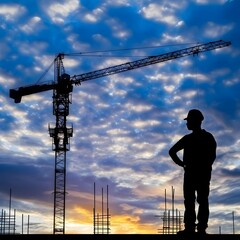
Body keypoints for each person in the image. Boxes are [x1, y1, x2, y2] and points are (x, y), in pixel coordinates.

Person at [169, 109, 217, 235]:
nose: (187, 123)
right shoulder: (206, 137)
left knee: (197, 200)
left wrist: (184, 164)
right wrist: (183, 164)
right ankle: (195, 228)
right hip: (199, 174)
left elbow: (172, 152)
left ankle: (196, 228)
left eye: (188, 120)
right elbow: (172, 151)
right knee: (195, 200)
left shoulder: (200, 138)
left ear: (195, 121)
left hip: (196, 174)